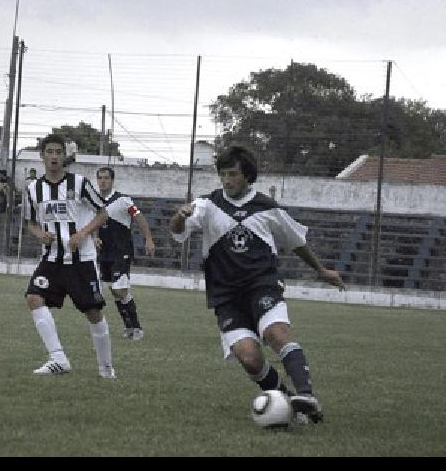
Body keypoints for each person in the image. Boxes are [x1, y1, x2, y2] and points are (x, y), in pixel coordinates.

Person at [168, 146, 346, 424]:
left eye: (234, 174)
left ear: (247, 175)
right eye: (223, 174)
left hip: (262, 285)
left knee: (276, 333)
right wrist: (180, 215)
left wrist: (321, 270)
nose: (228, 180)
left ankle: (307, 394)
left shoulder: (267, 207)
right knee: (249, 358)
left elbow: (296, 241)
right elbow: (177, 231)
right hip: (225, 294)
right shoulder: (206, 204)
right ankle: (289, 404)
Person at [23, 133, 118, 379]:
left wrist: (83, 233)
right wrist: (39, 234)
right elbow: (30, 222)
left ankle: (106, 368)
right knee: (33, 297)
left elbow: (103, 213)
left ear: (64, 156)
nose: (54, 156)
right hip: (52, 259)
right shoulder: (34, 189)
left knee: (93, 312)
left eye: (58, 152)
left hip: (81, 261)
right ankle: (58, 358)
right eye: (49, 152)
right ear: (42, 156)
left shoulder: (80, 183)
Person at [94, 166, 156, 341]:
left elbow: (140, 218)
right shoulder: (95, 201)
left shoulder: (123, 200)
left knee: (119, 289)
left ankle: (136, 328)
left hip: (121, 251)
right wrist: (95, 237)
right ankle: (129, 327)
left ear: (112, 180)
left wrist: (149, 239)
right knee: (114, 291)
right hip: (104, 253)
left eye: (106, 178)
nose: (103, 181)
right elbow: (94, 222)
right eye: (100, 178)